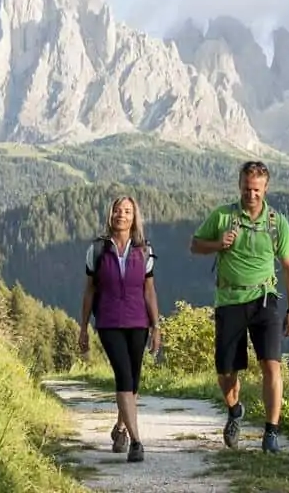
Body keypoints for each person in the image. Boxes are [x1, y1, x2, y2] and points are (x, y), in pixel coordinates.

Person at [188, 160, 289, 453]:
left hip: (265, 300)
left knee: (271, 366)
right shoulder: (223, 216)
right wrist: (218, 244)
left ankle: (271, 432)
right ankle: (235, 409)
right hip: (229, 300)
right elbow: (195, 245)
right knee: (226, 371)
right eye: (247, 188)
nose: (251, 194)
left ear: (265, 189)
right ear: (240, 186)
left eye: (257, 189)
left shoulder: (276, 222)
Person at [78, 195, 162, 463]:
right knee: (124, 377)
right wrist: (83, 327)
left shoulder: (144, 250)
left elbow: (149, 291)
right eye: (117, 210)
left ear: (134, 217)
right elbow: (89, 291)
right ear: (110, 214)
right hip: (109, 322)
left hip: (139, 323)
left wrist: (156, 326)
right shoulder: (98, 250)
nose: (121, 215)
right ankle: (137, 441)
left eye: (127, 211)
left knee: (133, 381)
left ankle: (121, 427)